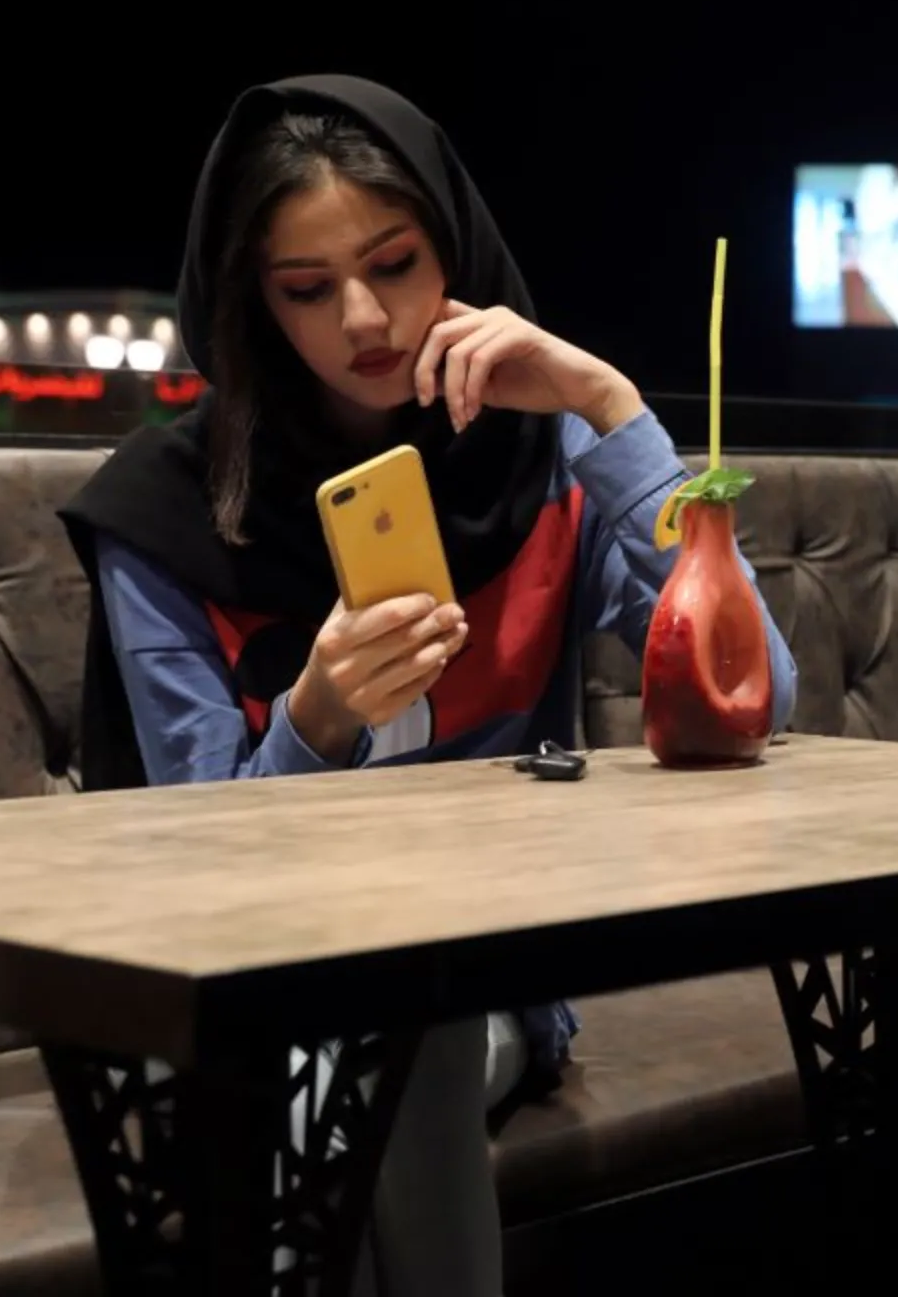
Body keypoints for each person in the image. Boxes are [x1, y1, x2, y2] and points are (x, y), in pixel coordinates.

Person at [60, 74, 799, 1297]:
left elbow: (753, 691)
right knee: (351, 1057)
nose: (364, 317)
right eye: (306, 289)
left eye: (396, 263)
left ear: (452, 246)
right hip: (245, 992)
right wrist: (314, 719)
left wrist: (606, 405)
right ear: (254, 305)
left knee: (418, 1004)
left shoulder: (550, 458)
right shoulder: (166, 513)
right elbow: (187, 848)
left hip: (481, 992)